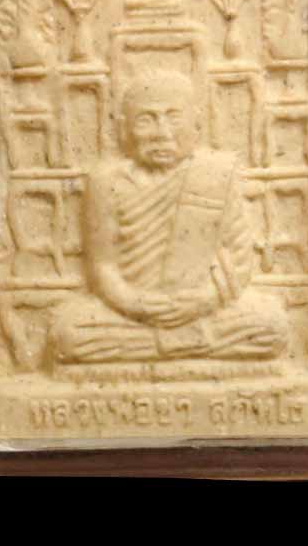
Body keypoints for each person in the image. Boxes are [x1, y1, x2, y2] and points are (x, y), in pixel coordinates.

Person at [50, 69, 287, 363]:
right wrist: (137, 305)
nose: (162, 132)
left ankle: (160, 347)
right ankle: (190, 345)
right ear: (124, 129)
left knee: (272, 325)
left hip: (202, 309)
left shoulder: (216, 175)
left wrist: (205, 300)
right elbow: (102, 268)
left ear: (196, 124)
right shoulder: (106, 182)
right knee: (68, 334)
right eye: (146, 120)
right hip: (131, 313)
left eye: (173, 118)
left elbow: (239, 260)